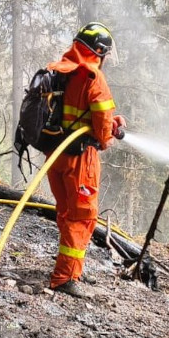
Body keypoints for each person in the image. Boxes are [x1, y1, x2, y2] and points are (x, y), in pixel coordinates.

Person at [46, 22, 126, 298]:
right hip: (80, 160)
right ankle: (65, 277)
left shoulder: (61, 70)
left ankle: (73, 269)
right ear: (99, 51)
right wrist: (108, 136)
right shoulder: (93, 77)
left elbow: (75, 111)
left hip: (56, 154)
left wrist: (107, 123)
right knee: (82, 217)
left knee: (67, 212)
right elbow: (102, 129)